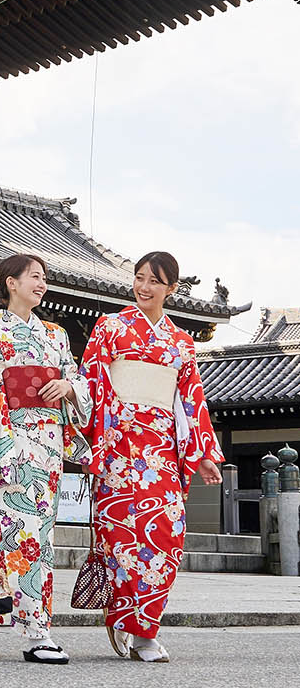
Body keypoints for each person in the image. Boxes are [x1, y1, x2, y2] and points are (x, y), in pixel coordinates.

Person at [79, 250, 223, 662]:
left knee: (166, 538)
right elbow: (91, 384)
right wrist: (100, 431)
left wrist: (203, 454)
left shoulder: (182, 342)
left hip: (161, 450)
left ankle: (145, 627)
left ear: (172, 290)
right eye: (139, 278)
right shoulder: (110, 327)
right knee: (121, 541)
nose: (143, 287)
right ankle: (129, 625)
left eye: (154, 281)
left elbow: (191, 399)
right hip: (119, 447)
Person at [0, 253, 91, 663]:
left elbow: (76, 379)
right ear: (11, 282)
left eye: (44, 278)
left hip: (46, 447)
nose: (41, 283)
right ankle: (37, 633)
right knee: (27, 539)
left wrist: (67, 386)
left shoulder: (56, 335)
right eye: (34, 277)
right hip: (10, 445)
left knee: (20, 536)